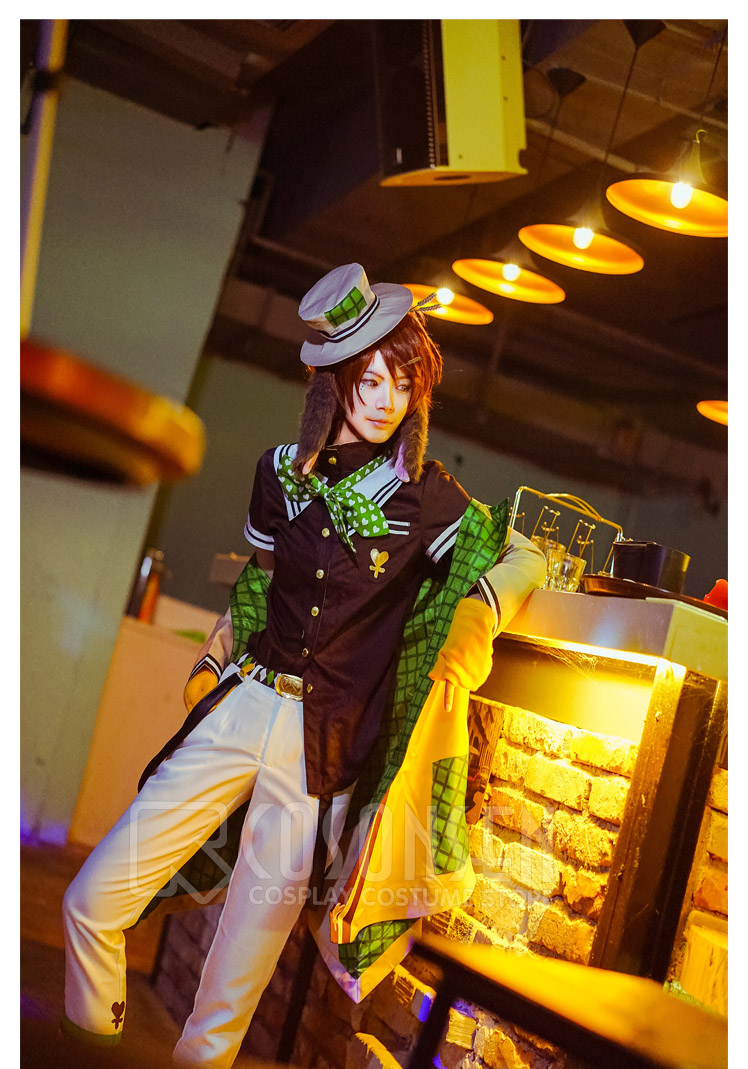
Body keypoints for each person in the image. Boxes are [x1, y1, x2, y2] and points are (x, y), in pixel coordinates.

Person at [61, 263, 546, 1067]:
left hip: (321, 748)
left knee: (230, 991)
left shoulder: (424, 495)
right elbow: (257, 583)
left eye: (403, 383)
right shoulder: (279, 472)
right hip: (242, 704)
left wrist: (478, 615)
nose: (386, 399)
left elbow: (523, 552)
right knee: (91, 899)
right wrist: (217, 652)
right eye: (370, 380)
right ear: (335, 382)